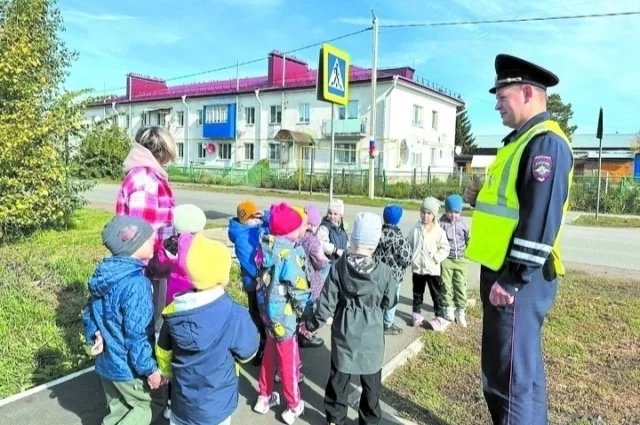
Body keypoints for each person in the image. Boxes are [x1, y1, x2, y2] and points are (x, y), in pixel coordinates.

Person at [463, 53, 574, 425]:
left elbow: (538, 221)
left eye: (501, 95)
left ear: (527, 92)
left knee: (507, 380)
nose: (496, 103)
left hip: (516, 282)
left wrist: (511, 280)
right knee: (521, 375)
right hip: (507, 277)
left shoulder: (545, 144)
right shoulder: (521, 141)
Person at [303, 212, 397, 425]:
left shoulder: (338, 267)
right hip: (372, 337)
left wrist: (310, 324)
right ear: (374, 244)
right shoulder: (384, 272)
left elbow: (325, 305)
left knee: (339, 380)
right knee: (371, 385)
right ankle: (370, 420)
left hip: (344, 334)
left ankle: (335, 419)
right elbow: (390, 301)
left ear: (352, 239)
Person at [155, 233, 259, 425]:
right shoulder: (235, 315)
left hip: (182, 405)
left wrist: (167, 373)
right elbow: (248, 353)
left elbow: (163, 352)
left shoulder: (173, 311)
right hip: (217, 407)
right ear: (223, 276)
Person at [82, 216, 165, 425]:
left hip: (107, 364)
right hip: (128, 368)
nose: (153, 242)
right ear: (134, 245)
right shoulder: (137, 284)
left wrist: (95, 335)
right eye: (148, 238)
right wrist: (150, 369)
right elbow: (138, 334)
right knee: (150, 404)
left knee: (118, 410)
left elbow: (90, 311)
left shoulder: (105, 273)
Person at [253, 203, 312, 424]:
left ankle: (264, 396)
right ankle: (293, 405)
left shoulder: (266, 246)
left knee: (269, 355)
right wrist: (302, 310)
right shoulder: (290, 253)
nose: (301, 230)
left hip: (267, 314)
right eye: (299, 227)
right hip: (285, 317)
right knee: (288, 362)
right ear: (289, 231)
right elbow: (298, 288)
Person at [116, 126, 177, 333]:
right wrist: (145, 270)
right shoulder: (145, 180)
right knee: (143, 322)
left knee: (145, 320)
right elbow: (138, 233)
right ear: (162, 151)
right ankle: (145, 361)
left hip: (153, 263)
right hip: (146, 267)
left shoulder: (147, 175)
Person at [151, 203, 207, 420]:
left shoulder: (168, 245)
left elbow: (160, 266)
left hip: (171, 306)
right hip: (193, 307)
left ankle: (169, 403)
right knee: (189, 356)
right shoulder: (196, 248)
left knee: (173, 354)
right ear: (196, 229)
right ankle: (187, 403)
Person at [228, 200, 270, 365]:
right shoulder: (242, 236)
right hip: (255, 283)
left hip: (263, 280)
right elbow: (249, 262)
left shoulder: (255, 228)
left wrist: (266, 215)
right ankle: (259, 347)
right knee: (258, 316)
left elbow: (276, 224)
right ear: (246, 219)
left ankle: (264, 345)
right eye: (254, 217)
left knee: (263, 315)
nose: (257, 219)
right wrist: (262, 275)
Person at [407, 197, 451, 332]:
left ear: (434, 215)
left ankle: (440, 316)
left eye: (428, 213)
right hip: (418, 268)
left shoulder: (438, 231)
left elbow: (445, 248)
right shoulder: (416, 228)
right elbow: (409, 243)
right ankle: (416, 314)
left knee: (436, 294)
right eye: (423, 212)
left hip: (432, 269)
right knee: (417, 292)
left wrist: (435, 258)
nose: (425, 216)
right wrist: (410, 256)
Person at [373, 204, 412, 335]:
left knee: (378, 298)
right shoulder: (399, 239)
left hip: (377, 274)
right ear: (398, 220)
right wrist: (401, 267)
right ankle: (388, 324)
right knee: (391, 300)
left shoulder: (377, 234)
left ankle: (376, 321)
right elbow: (407, 258)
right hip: (394, 276)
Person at [439, 194, 470, 327]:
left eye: (456, 212)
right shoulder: (441, 223)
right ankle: (448, 307)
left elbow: (468, 239)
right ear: (446, 211)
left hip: (461, 259)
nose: (453, 215)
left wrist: (466, 253)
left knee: (460, 284)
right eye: (450, 211)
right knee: (446, 284)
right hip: (446, 258)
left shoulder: (463, 224)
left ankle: (460, 309)